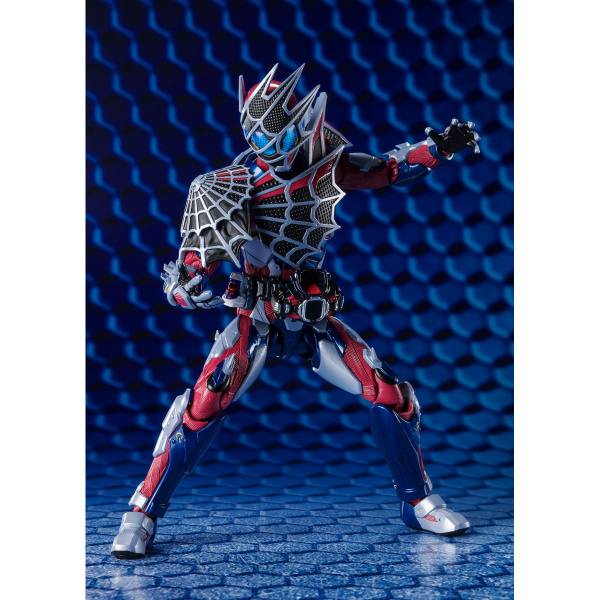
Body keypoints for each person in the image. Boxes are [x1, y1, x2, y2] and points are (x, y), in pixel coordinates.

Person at [111, 64, 481, 558]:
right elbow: (192, 265)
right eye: (265, 142)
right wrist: (185, 289)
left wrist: (439, 148)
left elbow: (389, 170)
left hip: (311, 317)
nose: (275, 152)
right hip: (258, 320)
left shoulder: (326, 165)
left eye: (282, 139)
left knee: (392, 395)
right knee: (201, 407)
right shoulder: (227, 186)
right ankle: (141, 512)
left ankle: (417, 502)